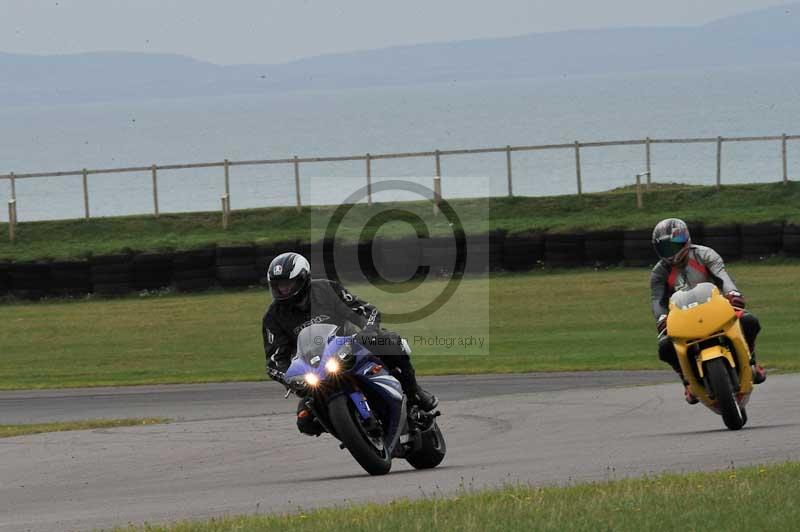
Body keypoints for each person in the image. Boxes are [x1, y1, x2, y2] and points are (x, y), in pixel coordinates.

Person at [262, 251, 439, 436]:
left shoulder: (326, 289)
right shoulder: (273, 317)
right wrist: (289, 378)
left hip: (350, 347)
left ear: (302, 279)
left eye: (286, 284)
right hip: (314, 369)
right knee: (305, 422)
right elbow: (275, 360)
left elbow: (365, 310)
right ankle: (350, 432)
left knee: (390, 341)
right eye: (277, 285)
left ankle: (414, 392)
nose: (282, 290)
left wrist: (369, 329)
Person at [650, 218, 766, 404]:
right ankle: (687, 382)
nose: (670, 252)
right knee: (665, 347)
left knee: (749, 321)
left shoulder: (704, 254)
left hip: (717, 309)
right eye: (665, 248)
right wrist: (662, 318)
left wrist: (733, 293)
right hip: (683, 318)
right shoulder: (659, 273)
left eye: (673, 246)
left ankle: (752, 362)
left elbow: (722, 276)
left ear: (684, 239)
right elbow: (658, 300)